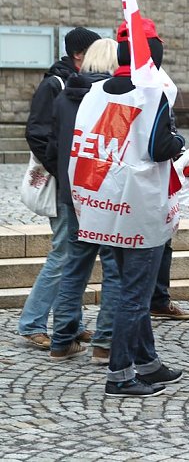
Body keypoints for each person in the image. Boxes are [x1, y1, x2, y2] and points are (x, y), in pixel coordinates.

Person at [69, 18, 185, 398]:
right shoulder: (150, 93)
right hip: (140, 209)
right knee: (135, 294)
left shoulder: (96, 92)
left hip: (106, 206)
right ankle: (119, 373)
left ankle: (147, 362)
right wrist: (180, 142)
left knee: (130, 287)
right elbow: (158, 148)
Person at [18, 27, 101, 350]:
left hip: (75, 184)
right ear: (79, 54)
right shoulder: (54, 84)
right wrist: (64, 171)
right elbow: (37, 134)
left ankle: (71, 323)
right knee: (64, 253)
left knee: (74, 255)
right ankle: (32, 323)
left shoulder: (78, 82)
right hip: (62, 184)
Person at [44, 39, 123, 364]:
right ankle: (104, 344)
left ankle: (62, 341)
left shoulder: (65, 96)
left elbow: (52, 148)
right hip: (105, 194)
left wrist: (67, 180)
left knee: (74, 267)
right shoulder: (115, 97)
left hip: (73, 193)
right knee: (114, 269)